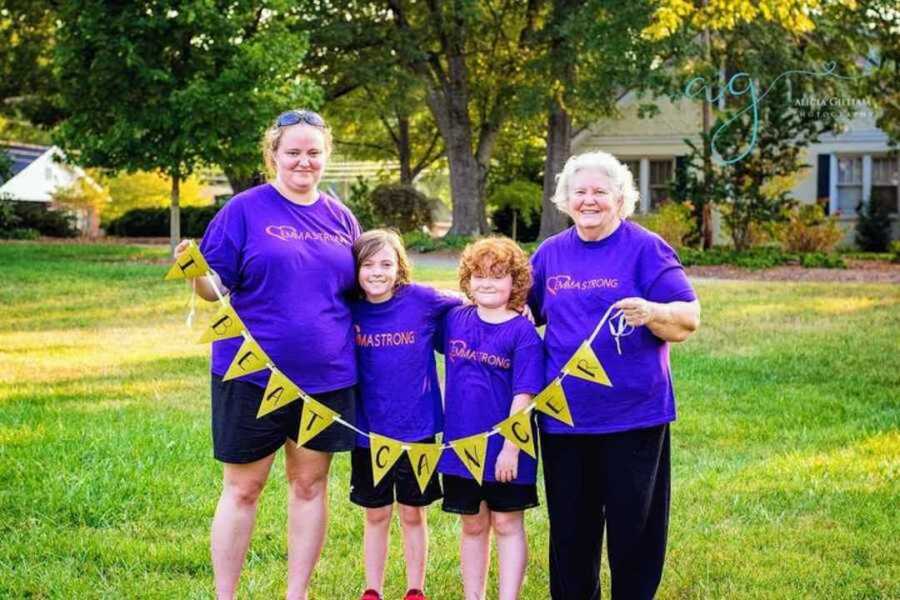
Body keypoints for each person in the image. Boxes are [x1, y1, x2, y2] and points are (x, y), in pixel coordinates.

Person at [174, 109, 361, 600]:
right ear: (273, 155)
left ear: (326, 156)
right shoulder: (243, 210)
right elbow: (214, 290)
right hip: (252, 375)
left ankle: (296, 594)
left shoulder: (341, 218)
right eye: (294, 152)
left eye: (314, 152)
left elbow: (361, 291)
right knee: (243, 489)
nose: (304, 161)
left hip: (327, 378)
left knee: (309, 486)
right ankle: (226, 595)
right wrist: (194, 270)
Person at [528, 150, 701, 600]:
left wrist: (652, 311)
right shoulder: (550, 254)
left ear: (620, 198)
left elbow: (688, 318)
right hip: (563, 416)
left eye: (600, 192)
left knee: (634, 530)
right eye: (579, 192)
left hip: (634, 415)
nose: (589, 200)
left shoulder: (645, 248)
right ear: (565, 199)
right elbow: (517, 316)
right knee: (571, 530)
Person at [349, 229, 463, 600]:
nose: (377, 272)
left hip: (418, 429)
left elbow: (467, 301)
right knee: (376, 514)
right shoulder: (350, 307)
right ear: (356, 270)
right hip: (368, 432)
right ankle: (372, 589)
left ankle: (416, 588)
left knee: (413, 513)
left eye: (386, 263)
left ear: (401, 268)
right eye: (367, 264)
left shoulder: (423, 300)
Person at [439, 237, 544, 600]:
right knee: (472, 524)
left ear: (515, 284)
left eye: (498, 276)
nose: (487, 283)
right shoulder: (454, 320)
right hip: (460, 445)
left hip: (507, 449)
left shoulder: (523, 332)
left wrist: (510, 450)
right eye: (479, 275)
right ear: (467, 280)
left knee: (506, 522)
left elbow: (525, 396)